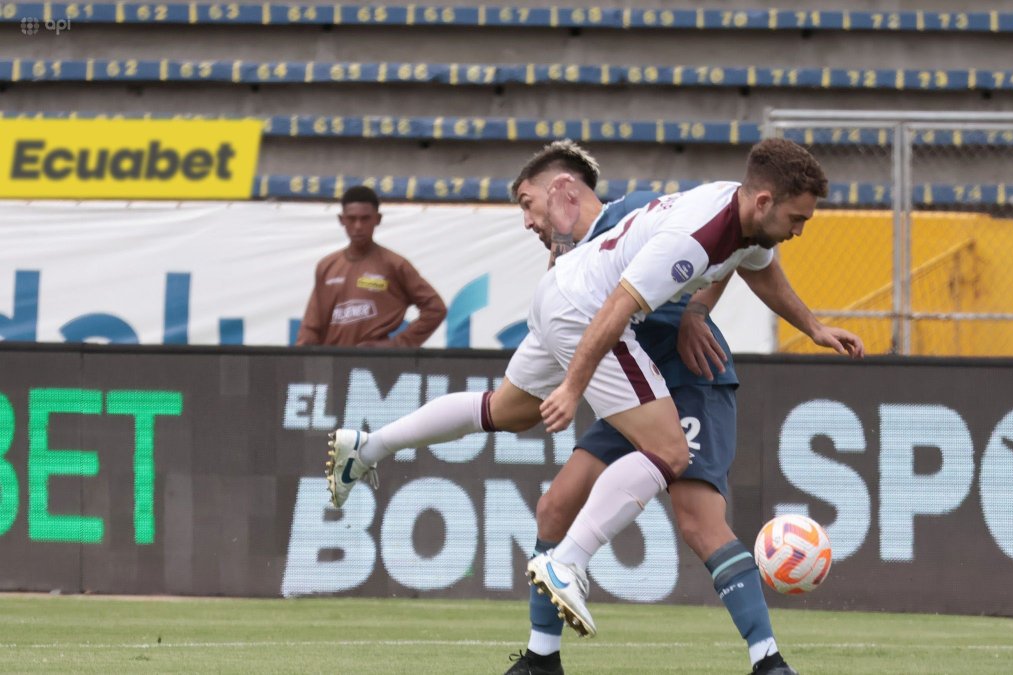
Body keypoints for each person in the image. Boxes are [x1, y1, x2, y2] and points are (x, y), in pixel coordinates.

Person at [323, 138, 863, 669]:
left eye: (528, 207)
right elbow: (614, 310)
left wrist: (808, 325)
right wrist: (575, 387)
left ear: (567, 195)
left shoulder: (713, 214)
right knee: (669, 454)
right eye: (799, 218)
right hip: (604, 337)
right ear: (765, 201)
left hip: (638, 352)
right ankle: (569, 567)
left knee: (518, 429)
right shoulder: (686, 234)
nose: (800, 229)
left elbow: (753, 260)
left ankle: (371, 446)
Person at [504, 140, 796, 675]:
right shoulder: (577, 255)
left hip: (686, 378)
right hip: (634, 377)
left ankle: (769, 661)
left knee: (699, 520)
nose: (534, 223)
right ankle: (540, 660)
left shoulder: (641, 211)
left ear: (565, 192)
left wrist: (696, 311)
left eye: (531, 206)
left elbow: (735, 252)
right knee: (554, 506)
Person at [295, 185, 446, 347]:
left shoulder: (394, 264)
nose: (358, 226)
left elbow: (435, 309)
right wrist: (302, 361)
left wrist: (396, 345)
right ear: (342, 220)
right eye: (352, 219)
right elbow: (312, 325)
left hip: (374, 366)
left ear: (378, 219)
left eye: (365, 218)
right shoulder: (327, 266)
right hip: (334, 363)